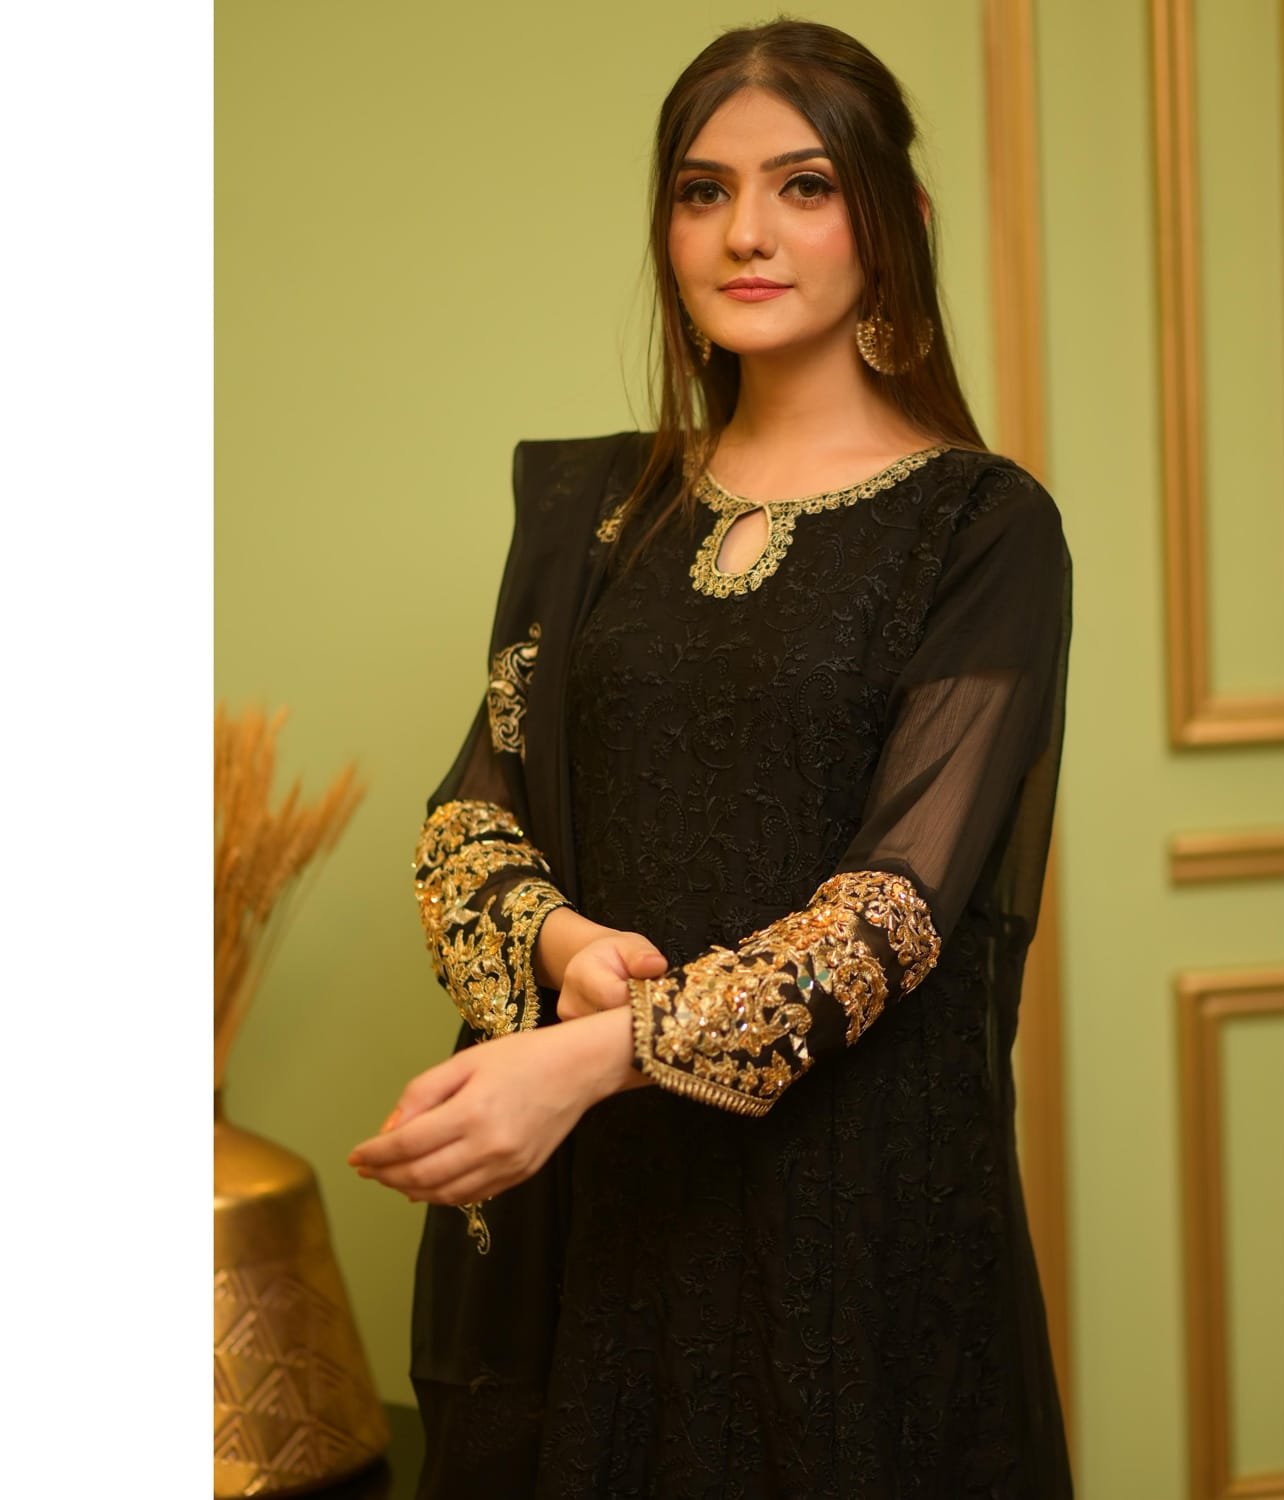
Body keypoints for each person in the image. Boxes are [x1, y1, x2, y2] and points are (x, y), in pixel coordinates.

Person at [348, 18, 1073, 1498]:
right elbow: (471, 819)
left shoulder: (981, 528)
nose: (746, 232)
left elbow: (891, 916)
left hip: (852, 1205)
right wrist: (568, 952)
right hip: (609, 1203)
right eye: (703, 190)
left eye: (805, 185)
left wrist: (589, 1061)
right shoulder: (600, 517)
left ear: (895, 219)